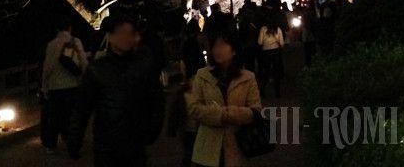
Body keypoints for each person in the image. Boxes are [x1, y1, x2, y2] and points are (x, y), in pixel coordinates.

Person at [67, 14, 165, 167]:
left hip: (136, 143)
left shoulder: (144, 65)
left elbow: (157, 100)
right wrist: (74, 140)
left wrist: (152, 131)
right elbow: (82, 108)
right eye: (120, 32)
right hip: (106, 144)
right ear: (110, 36)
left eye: (130, 33)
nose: (125, 37)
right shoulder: (97, 69)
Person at [189, 30, 262, 167]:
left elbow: (256, 110)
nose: (217, 50)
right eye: (215, 46)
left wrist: (232, 113)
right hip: (207, 148)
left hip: (237, 146)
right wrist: (221, 115)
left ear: (234, 51)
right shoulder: (202, 75)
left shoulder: (248, 78)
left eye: (222, 45)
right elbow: (194, 108)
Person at [41, 17, 89, 153]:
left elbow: (47, 67)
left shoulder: (51, 44)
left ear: (57, 29)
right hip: (73, 84)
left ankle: (51, 145)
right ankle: (71, 141)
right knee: (72, 115)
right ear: (70, 28)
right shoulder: (75, 42)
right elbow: (83, 61)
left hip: (55, 86)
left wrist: (44, 85)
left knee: (54, 116)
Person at [257, 18, 284, 98]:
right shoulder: (278, 29)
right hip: (276, 51)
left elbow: (260, 42)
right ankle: (277, 92)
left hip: (266, 52)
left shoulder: (263, 29)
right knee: (277, 71)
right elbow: (282, 43)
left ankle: (262, 90)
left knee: (266, 71)